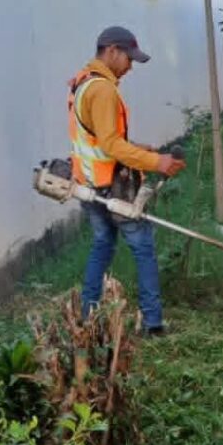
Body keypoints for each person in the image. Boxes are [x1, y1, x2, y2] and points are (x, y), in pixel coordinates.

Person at [68, 26, 185, 336]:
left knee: (102, 244)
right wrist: (157, 162)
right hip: (113, 187)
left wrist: (140, 149)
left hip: (88, 184)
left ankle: (88, 318)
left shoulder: (82, 82)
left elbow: (97, 138)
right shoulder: (103, 90)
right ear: (111, 51)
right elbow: (111, 145)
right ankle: (153, 323)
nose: (130, 66)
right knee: (142, 246)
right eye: (129, 58)